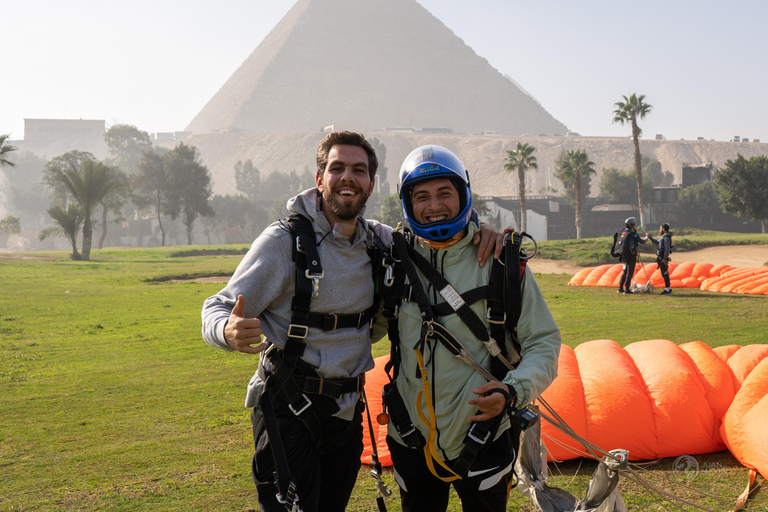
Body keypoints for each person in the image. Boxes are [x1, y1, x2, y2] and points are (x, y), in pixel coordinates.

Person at [200, 132, 503, 512]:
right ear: (319, 178)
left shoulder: (381, 242)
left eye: (358, 170)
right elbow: (218, 305)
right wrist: (225, 330)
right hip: (288, 408)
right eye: (337, 168)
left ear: (371, 184)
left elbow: (439, 223)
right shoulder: (283, 241)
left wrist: (482, 228)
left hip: (345, 416)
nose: (348, 177)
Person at [381, 145, 561, 512]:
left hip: (485, 436)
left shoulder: (500, 263)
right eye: (422, 196)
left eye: (444, 193)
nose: (434, 206)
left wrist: (512, 392)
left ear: (463, 194)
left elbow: (543, 343)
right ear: (407, 203)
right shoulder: (393, 263)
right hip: (410, 437)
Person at [617, 216, 648, 294]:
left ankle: (620, 288)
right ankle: (627, 289)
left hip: (623, 255)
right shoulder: (633, 234)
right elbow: (643, 242)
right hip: (631, 256)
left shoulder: (622, 232)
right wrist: (647, 237)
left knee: (624, 271)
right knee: (629, 272)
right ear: (632, 225)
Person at [647, 223, 673, 295]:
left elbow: (667, 249)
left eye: (660, 229)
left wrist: (664, 258)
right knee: (664, 273)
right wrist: (650, 237)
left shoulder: (666, 237)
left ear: (663, 229)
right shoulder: (664, 237)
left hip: (662, 258)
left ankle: (667, 290)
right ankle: (668, 289)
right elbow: (658, 242)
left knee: (665, 273)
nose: (659, 230)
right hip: (661, 257)